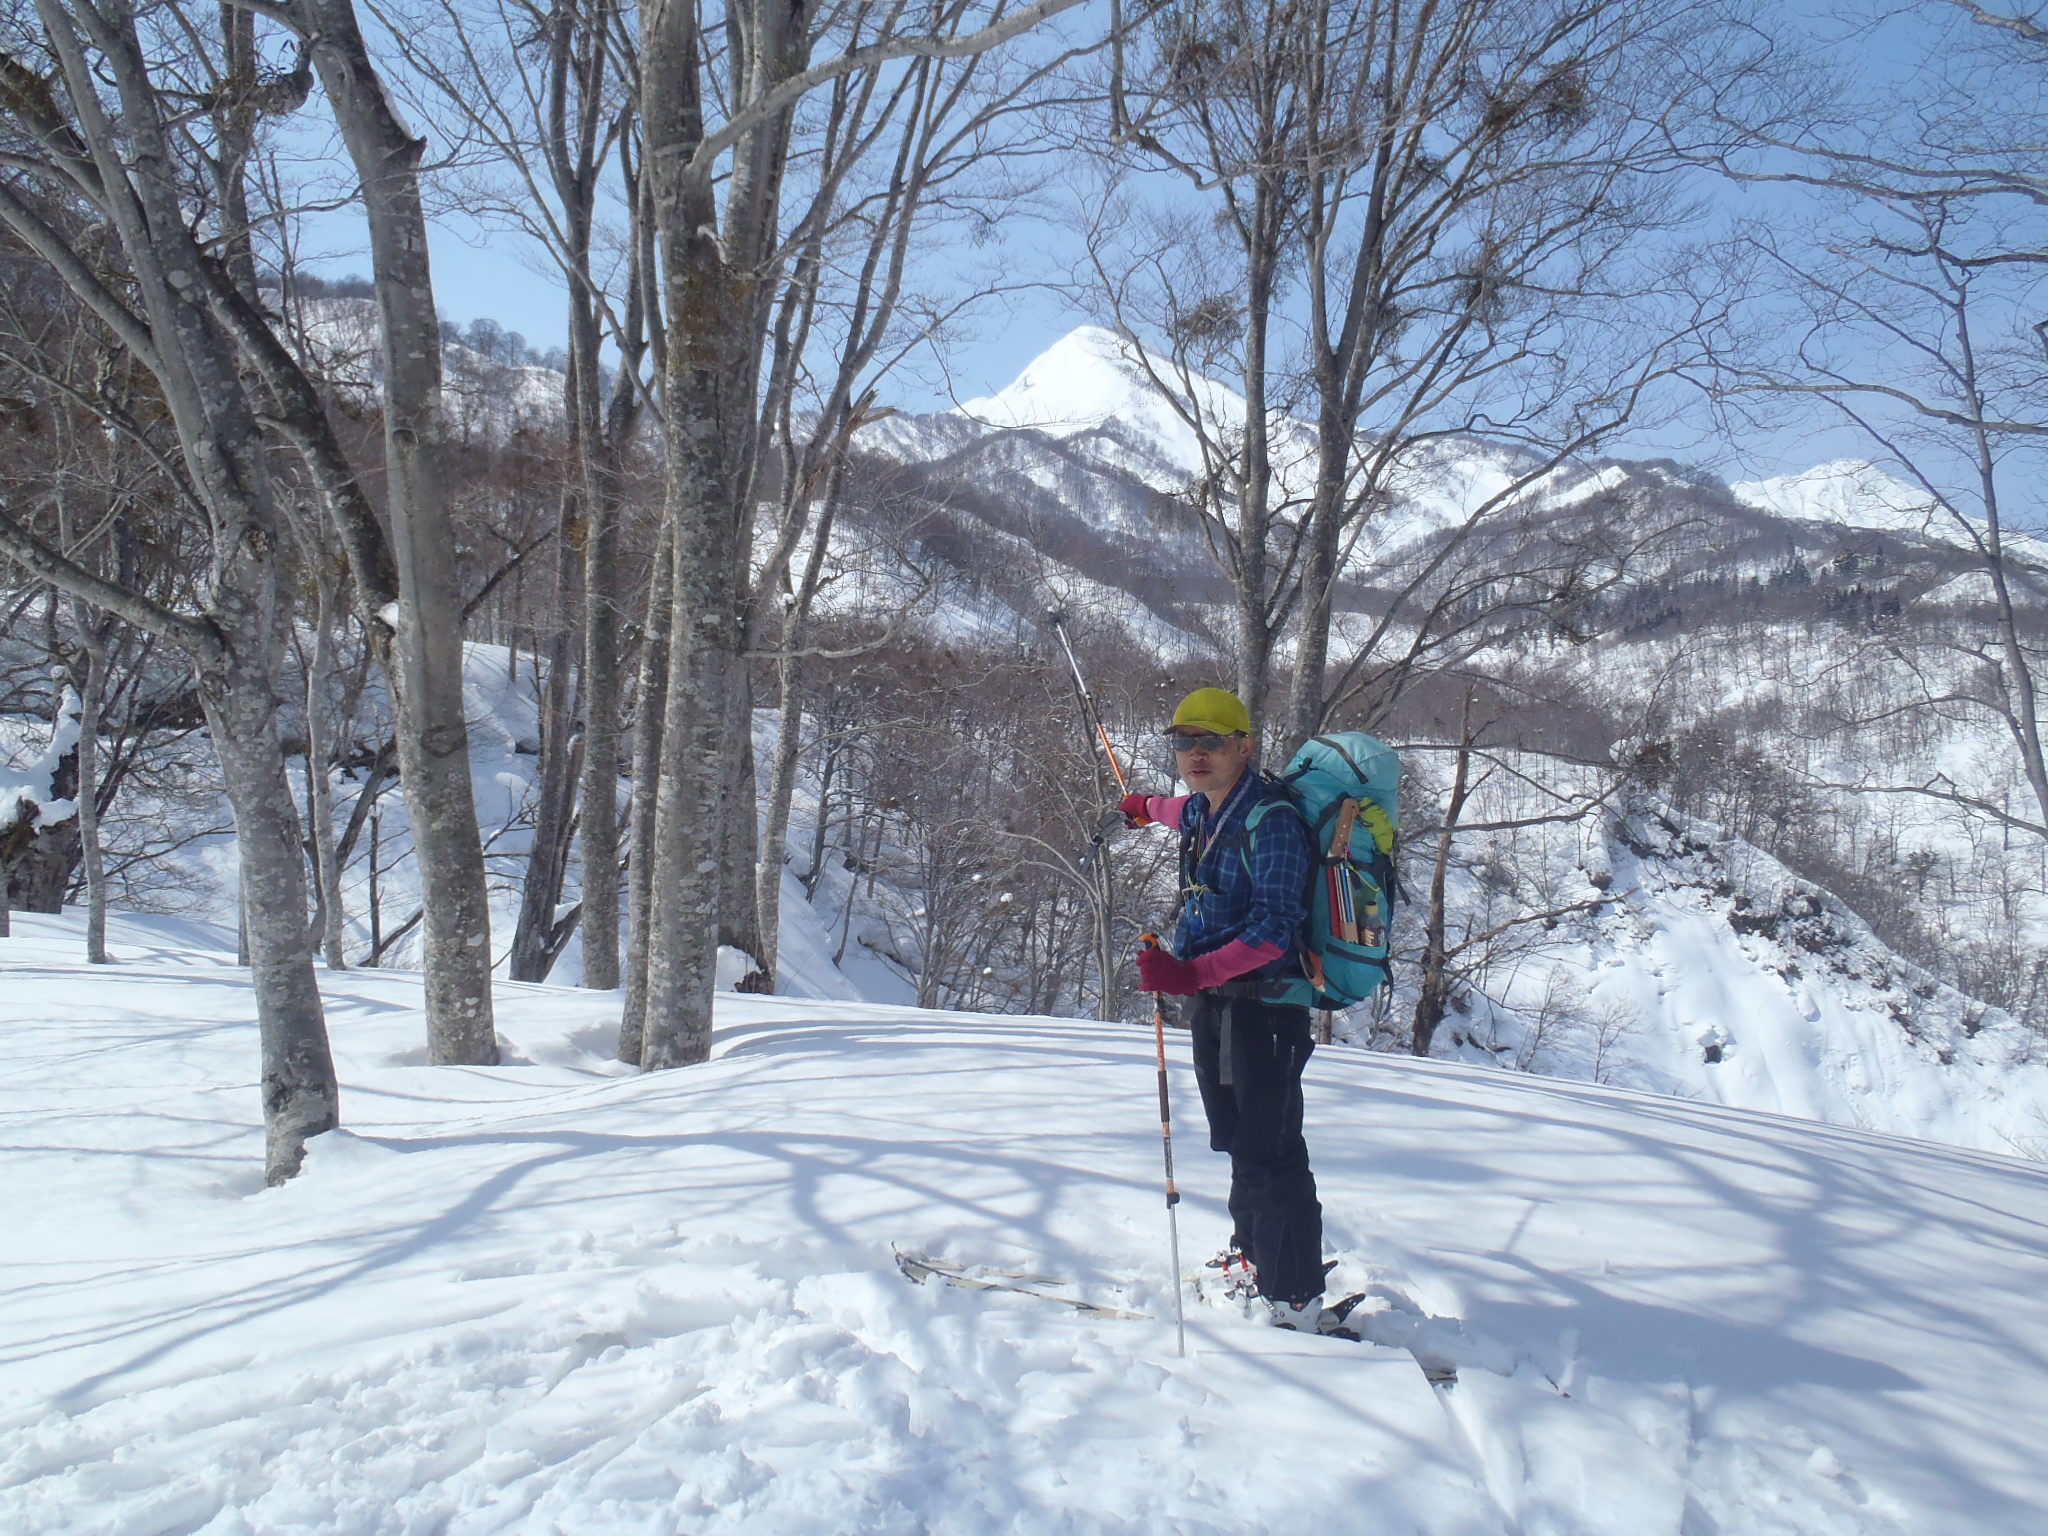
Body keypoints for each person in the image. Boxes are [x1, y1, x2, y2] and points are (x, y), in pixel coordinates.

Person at [1120, 686, 1326, 1329]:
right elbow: (1174, 809)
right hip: (1219, 1006)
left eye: (1211, 740)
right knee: (1241, 1143)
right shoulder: (1207, 812)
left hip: (1264, 1012)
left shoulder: (1273, 822)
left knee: (1272, 1150)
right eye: (1184, 741)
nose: (1196, 753)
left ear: (1246, 745)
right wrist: (1142, 808)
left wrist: (1187, 973)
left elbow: (1271, 930)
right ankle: (1253, 1259)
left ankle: (1293, 1296)